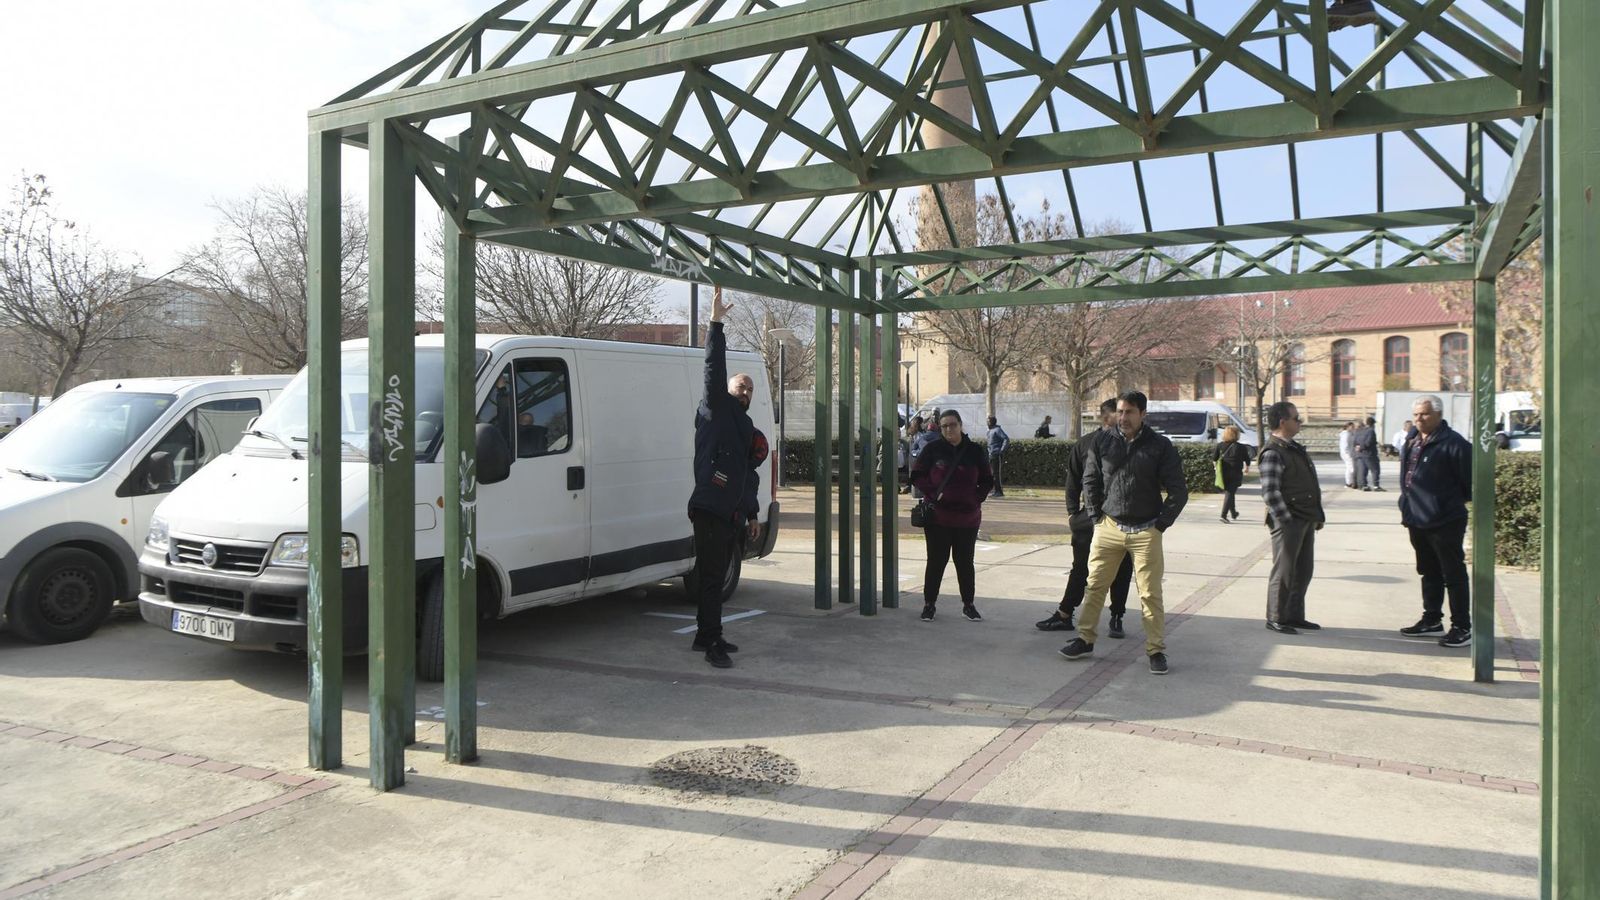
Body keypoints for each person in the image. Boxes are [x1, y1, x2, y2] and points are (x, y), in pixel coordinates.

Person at [1058, 391, 1189, 675]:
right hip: (1109, 527)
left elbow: (1178, 490)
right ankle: (1085, 638)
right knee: (1094, 586)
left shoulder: (1160, 446)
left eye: (1129, 412)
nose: (1123, 417)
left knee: (1150, 593)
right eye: (1120, 411)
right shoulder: (1102, 442)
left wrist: (1161, 524)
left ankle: (1155, 650)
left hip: (1146, 531)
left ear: (1143, 414)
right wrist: (1096, 517)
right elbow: (1090, 479)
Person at [688, 286, 763, 669]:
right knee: (712, 577)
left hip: (730, 512)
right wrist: (716, 323)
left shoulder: (746, 426)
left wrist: (752, 514)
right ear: (727, 390)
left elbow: (746, 474)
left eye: (749, 387)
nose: (745, 390)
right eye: (740, 385)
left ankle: (706, 634)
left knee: (716, 578)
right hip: (709, 508)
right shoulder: (714, 407)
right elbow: (713, 368)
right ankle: (711, 639)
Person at [1036, 398, 1134, 636]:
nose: (1121, 421)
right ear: (1104, 418)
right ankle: (1065, 614)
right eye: (1116, 416)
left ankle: (1117, 616)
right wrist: (1073, 513)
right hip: (1089, 520)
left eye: (1124, 415)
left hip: (1122, 520)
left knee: (1122, 569)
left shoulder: (1130, 444)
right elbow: (1073, 480)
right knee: (1081, 568)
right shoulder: (1085, 444)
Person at [1397, 395, 1474, 648]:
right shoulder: (1412, 440)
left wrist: (1443, 503)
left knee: (1453, 573)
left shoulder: (1455, 444)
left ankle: (1462, 626)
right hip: (1417, 519)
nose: (1419, 419)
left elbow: (1468, 484)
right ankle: (1431, 619)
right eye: (1417, 414)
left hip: (1445, 520)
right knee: (1428, 571)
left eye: (1425, 414)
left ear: (1439, 415)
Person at [910, 409, 994, 623]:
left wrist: (976, 498)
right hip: (938, 518)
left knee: (965, 562)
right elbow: (917, 475)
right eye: (944, 426)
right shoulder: (932, 449)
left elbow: (987, 480)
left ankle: (969, 605)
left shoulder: (975, 450)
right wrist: (933, 493)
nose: (949, 429)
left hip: (968, 518)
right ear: (940, 427)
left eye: (953, 425)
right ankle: (929, 604)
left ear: (960, 425)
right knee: (936, 562)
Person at [1258, 402, 1325, 635]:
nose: (1300, 422)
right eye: (1297, 418)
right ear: (1282, 422)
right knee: (1284, 571)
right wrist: (1286, 521)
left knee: (1303, 570)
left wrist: (1316, 515)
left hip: (1305, 517)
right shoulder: (1273, 452)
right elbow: (1270, 492)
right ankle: (1276, 617)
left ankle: (1294, 615)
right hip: (1289, 521)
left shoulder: (1293, 448)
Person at [1211, 426, 1254, 523]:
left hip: (1223, 473)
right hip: (1235, 472)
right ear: (1236, 435)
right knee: (1230, 493)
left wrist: (1216, 469)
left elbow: (1214, 459)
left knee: (1229, 493)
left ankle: (1234, 513)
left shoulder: (1220, 445)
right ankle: (1223, 515)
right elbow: (1247, 460)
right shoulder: (1241, 447)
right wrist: (1247, 468)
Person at [909, 414, 941, 499]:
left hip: (923, 462)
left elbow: (913, 450)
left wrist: (917, 454)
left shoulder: (921, 438)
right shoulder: (941, 438)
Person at [1354, 416, 1384, 491]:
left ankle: (1364, 485)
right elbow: (1369, 442)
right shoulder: (1371, 431)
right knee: (1375, 470)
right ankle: (1376, 486)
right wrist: (1362, 447)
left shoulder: (1360, 431)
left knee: (1363, 470)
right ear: (1373, 424)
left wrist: (1358, 447)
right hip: (1370, 454)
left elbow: (1355, 441)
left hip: (1360, 454)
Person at [985, 416, 1010, 498]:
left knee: (996, 474)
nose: (987, 423)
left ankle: (999, 492)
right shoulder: (990, 431)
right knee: (991, 473)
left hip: (996, 455)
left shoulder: (998, 430)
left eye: (988, 421)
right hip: (991, 455)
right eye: (987, 421)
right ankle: (994, 490)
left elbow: (1006, 439)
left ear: (992, 422)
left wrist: (1001, 450)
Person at [1338, 422, 1356, 489]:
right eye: (1352, 427)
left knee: (1349, 468)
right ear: (1347, 427)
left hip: (1348, 453)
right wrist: (1349, 454)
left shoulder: (1350, 433)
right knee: (1351, 468)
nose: (1353, 428)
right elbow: (1345, 446)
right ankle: (1351, 482)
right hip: (1346, 453)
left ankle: (1349, 482)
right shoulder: (1345, 434)